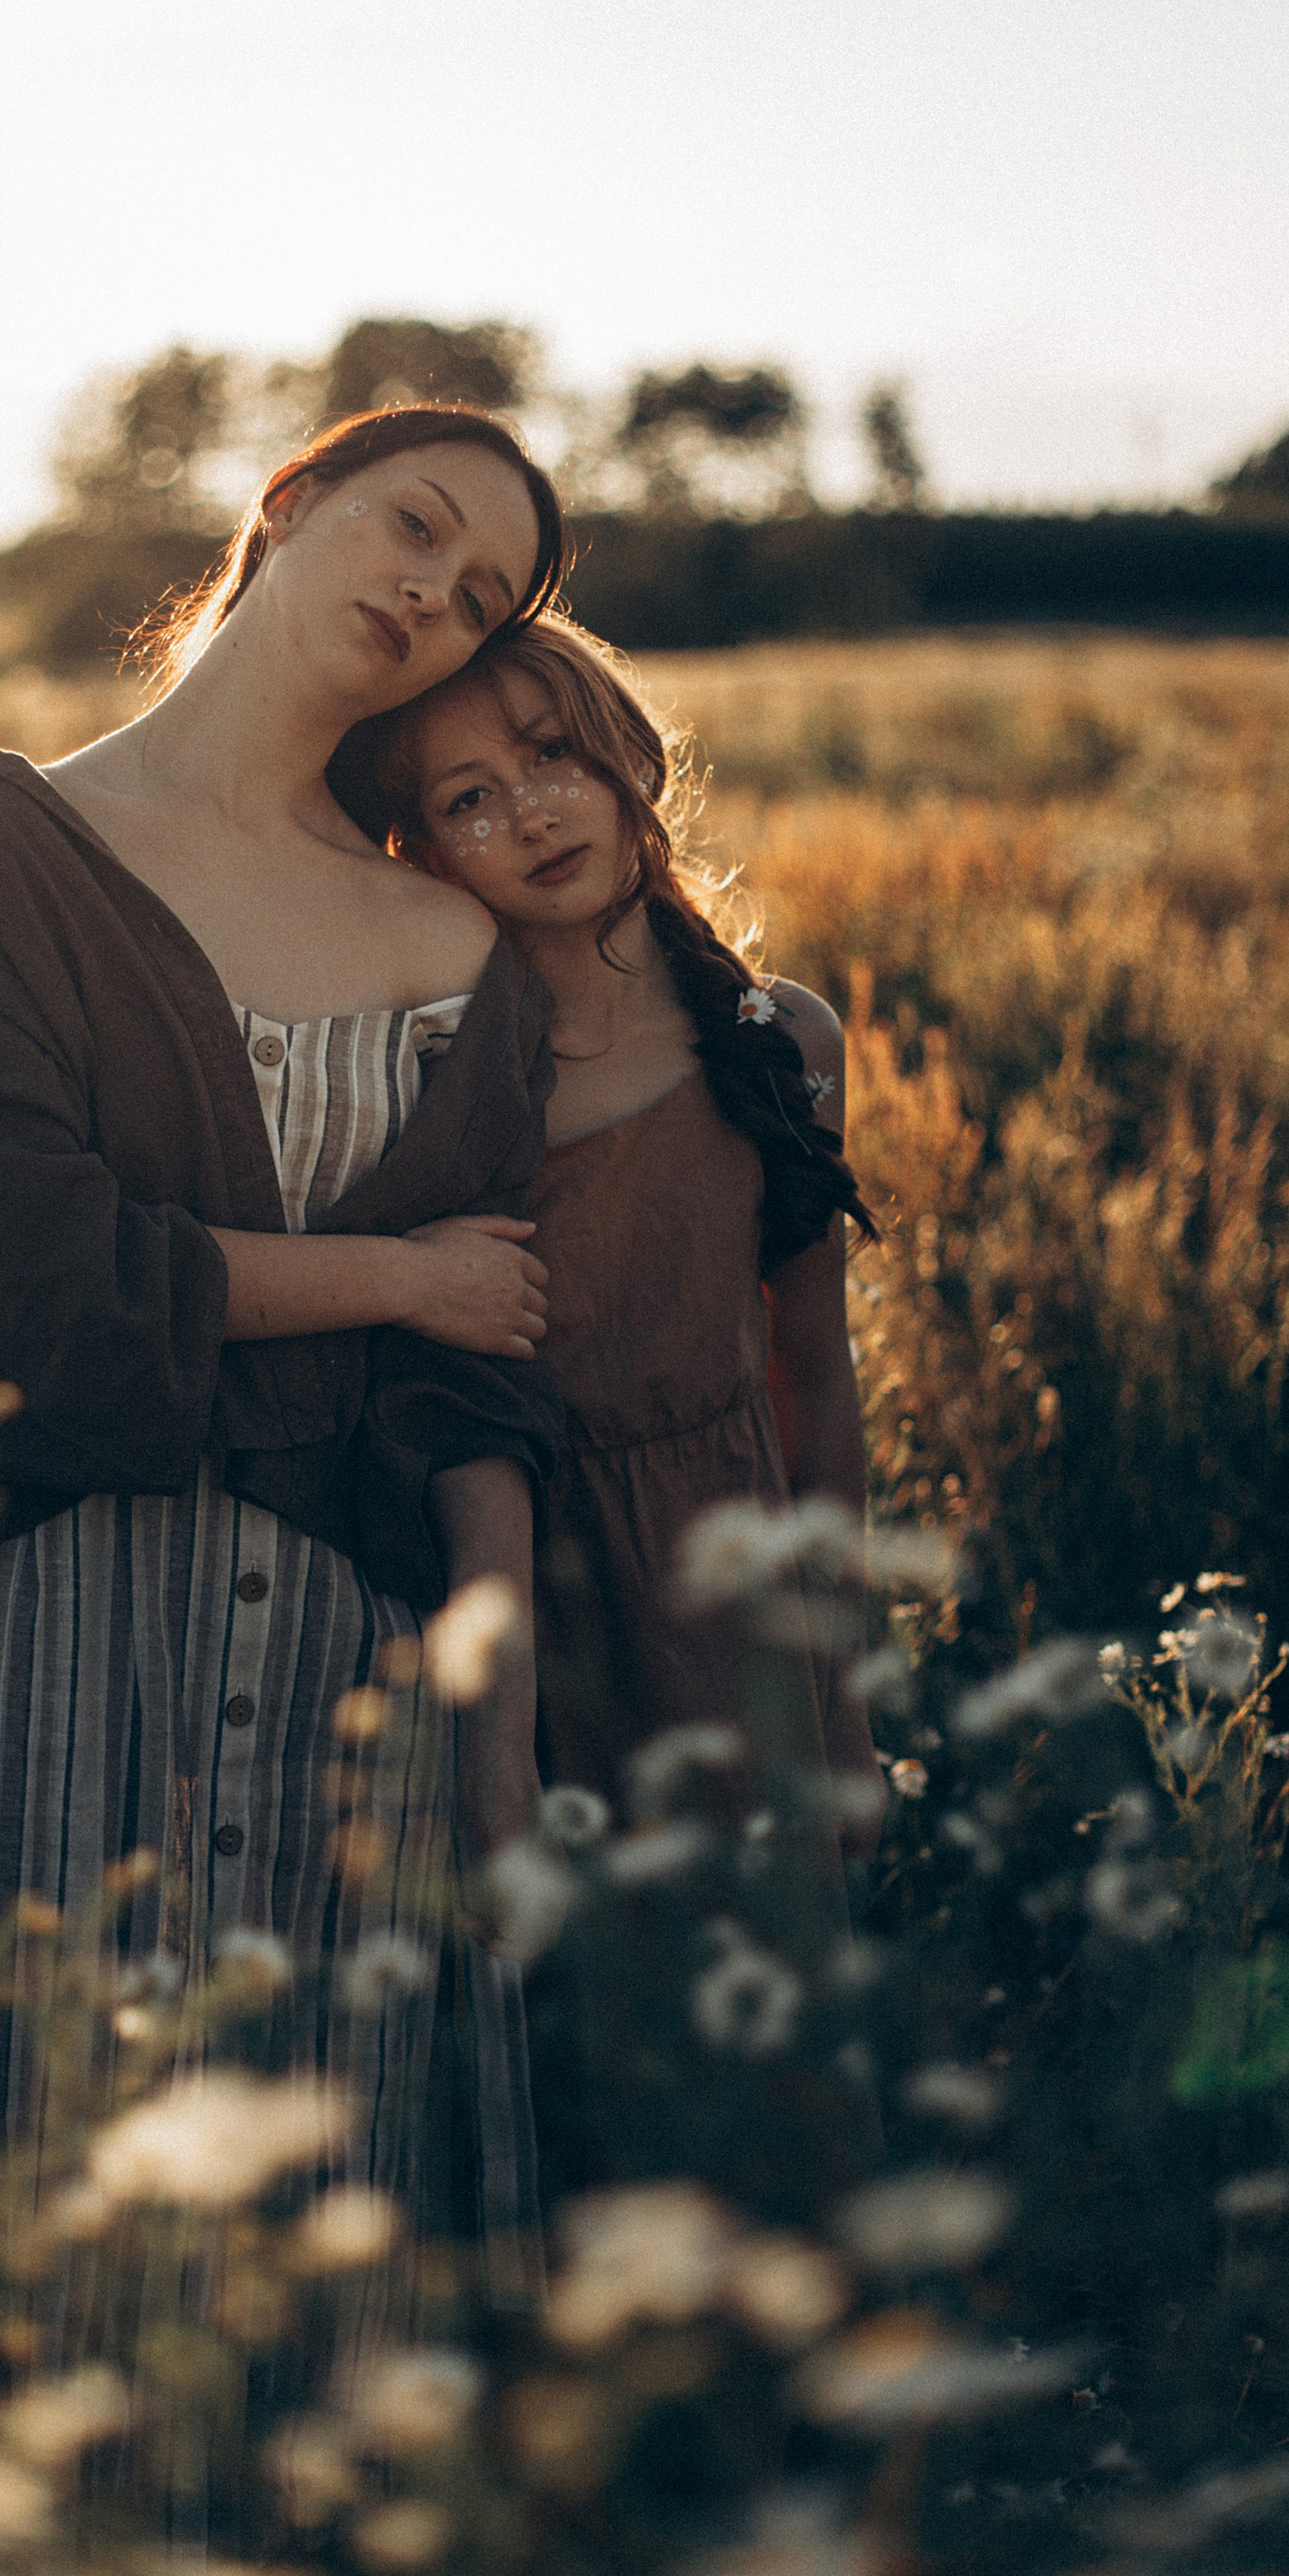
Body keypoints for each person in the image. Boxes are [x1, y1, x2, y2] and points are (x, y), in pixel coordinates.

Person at [0, 407, 568, 2535]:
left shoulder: (460, 950)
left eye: (483, 597)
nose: (432, 593)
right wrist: (392, 1279)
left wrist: (500, 1737)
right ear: (294, 503)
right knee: (57, 2189)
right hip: (59, 1618)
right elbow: (16, 1272)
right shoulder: (7, 851)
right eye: (414, 524)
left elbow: (481, 1381)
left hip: (363, 1666)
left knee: (344, 2224)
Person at [330, 613, 889, 1891]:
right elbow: (464, 1423)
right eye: (473, 799)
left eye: (555, 757)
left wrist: (843, 1699)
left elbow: (817, 1372)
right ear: (420, 855)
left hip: (738, 1589)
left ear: (633, 756)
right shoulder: (451, 1086)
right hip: (533, 1597)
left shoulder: (777, 1041)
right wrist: (497, 1745)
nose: (532, 813)